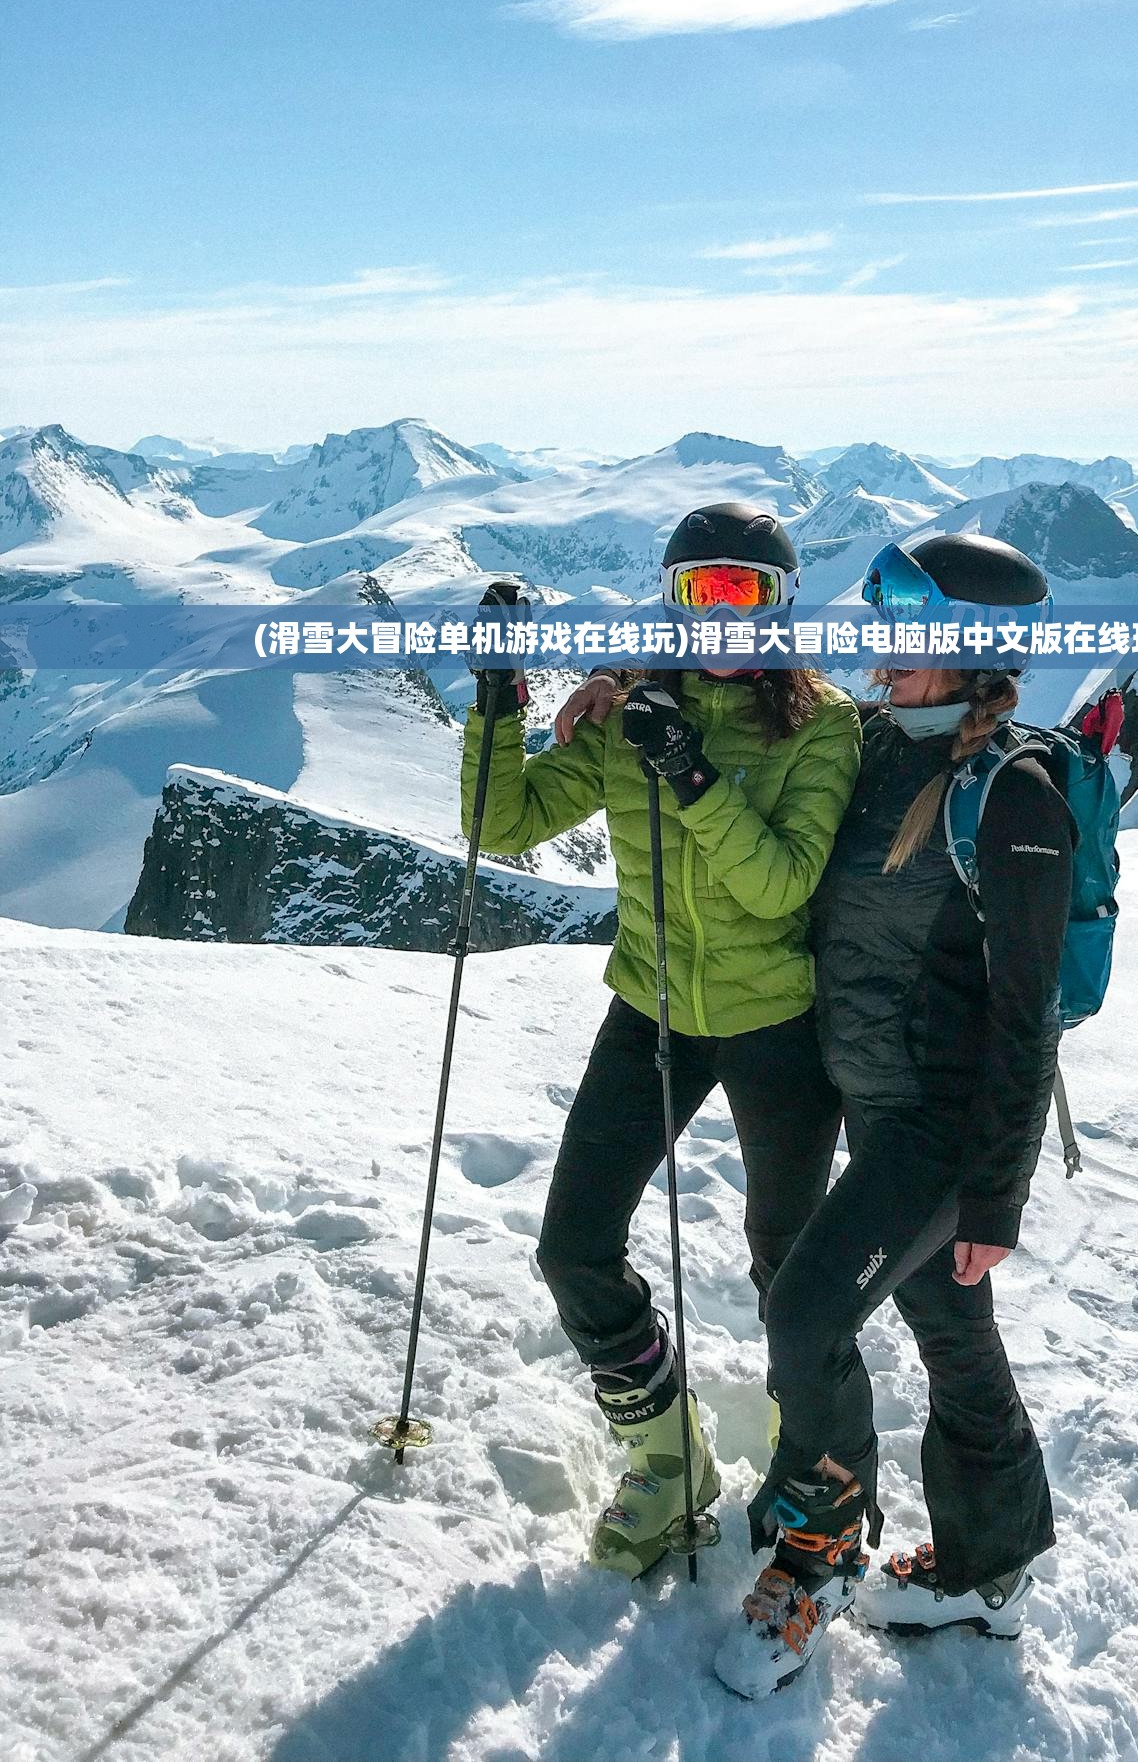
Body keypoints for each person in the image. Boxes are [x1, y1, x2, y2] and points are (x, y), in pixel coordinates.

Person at [462, 502, 861, 1577]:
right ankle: (664, 1454)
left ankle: (811, 1464)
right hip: (651, 1008)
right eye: (700, 592)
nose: (722, 617)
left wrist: (689, 774)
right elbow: (504, 826)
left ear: (780, 604)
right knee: (571, 1246)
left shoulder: (823, 729)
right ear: (674, 602)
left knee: (790, 1266)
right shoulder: (632, 709)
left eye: (744, 592)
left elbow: (778, 882)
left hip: (778, 1021)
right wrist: (499, 701)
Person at [713, 532, 1074, 1699]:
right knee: (951, 1332)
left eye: (908, 632)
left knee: (803, 1312)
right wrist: (617, 689)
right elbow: (752, 704)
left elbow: (1029, 1013)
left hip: (937, 1130)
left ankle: (820, 1551)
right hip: (869, 1097)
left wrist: (996, 1194)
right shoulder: (871, 744)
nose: (881, 648)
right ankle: (990, 1565)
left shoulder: (1009, 795)